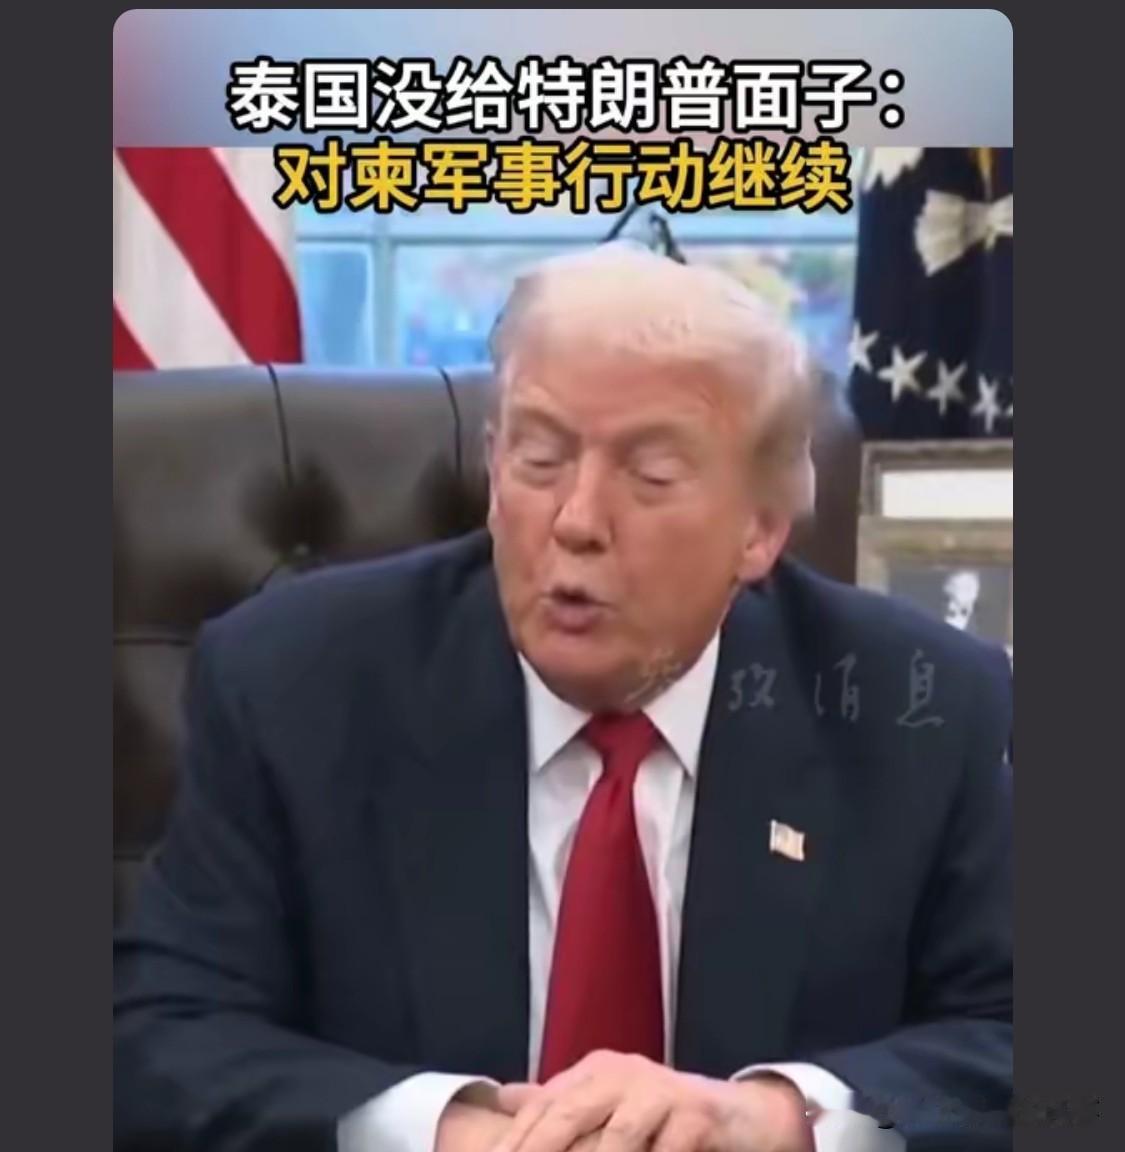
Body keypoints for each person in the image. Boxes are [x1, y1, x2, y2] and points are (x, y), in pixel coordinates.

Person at [114, 244, 1013, 1152]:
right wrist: (442, 1133)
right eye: (539, 459)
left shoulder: (922, 710)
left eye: (650, 477)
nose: (576, 521)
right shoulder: (294, 682)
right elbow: (159, 1043)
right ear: (493, 469)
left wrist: (784, 1119)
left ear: (759, 529)